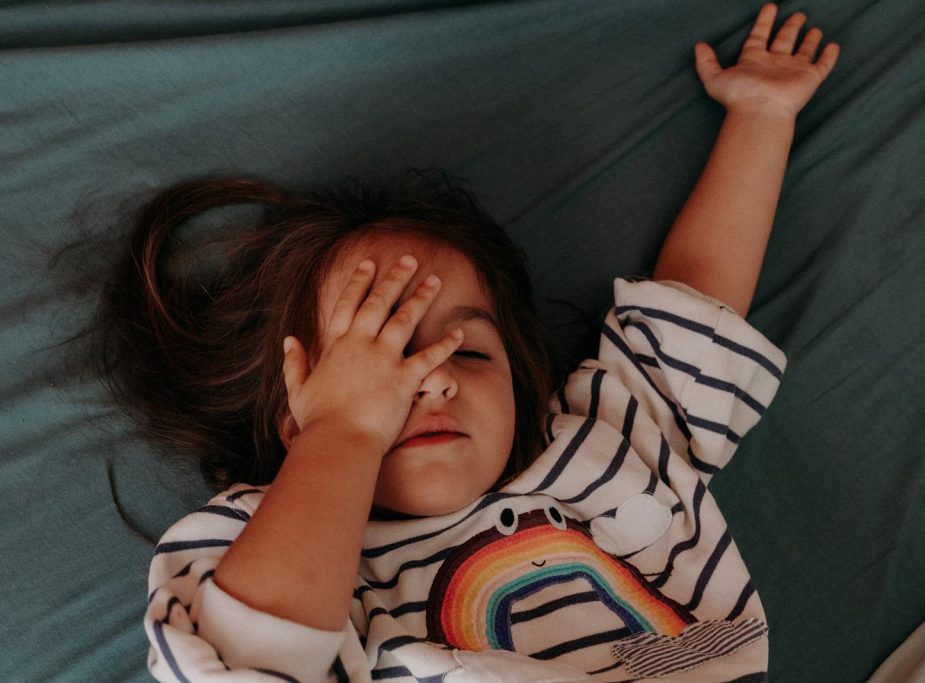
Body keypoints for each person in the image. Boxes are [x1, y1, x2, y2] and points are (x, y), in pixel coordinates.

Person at [120, 4, 838, 680]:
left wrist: (762, 117)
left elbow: (694, 298)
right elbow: (244, 659)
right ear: (292, 415)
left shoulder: (605, 441)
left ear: (520, 385)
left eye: (468, 351)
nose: (431, 380)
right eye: (379, 364)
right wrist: (342, 434)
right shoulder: (268, 540)